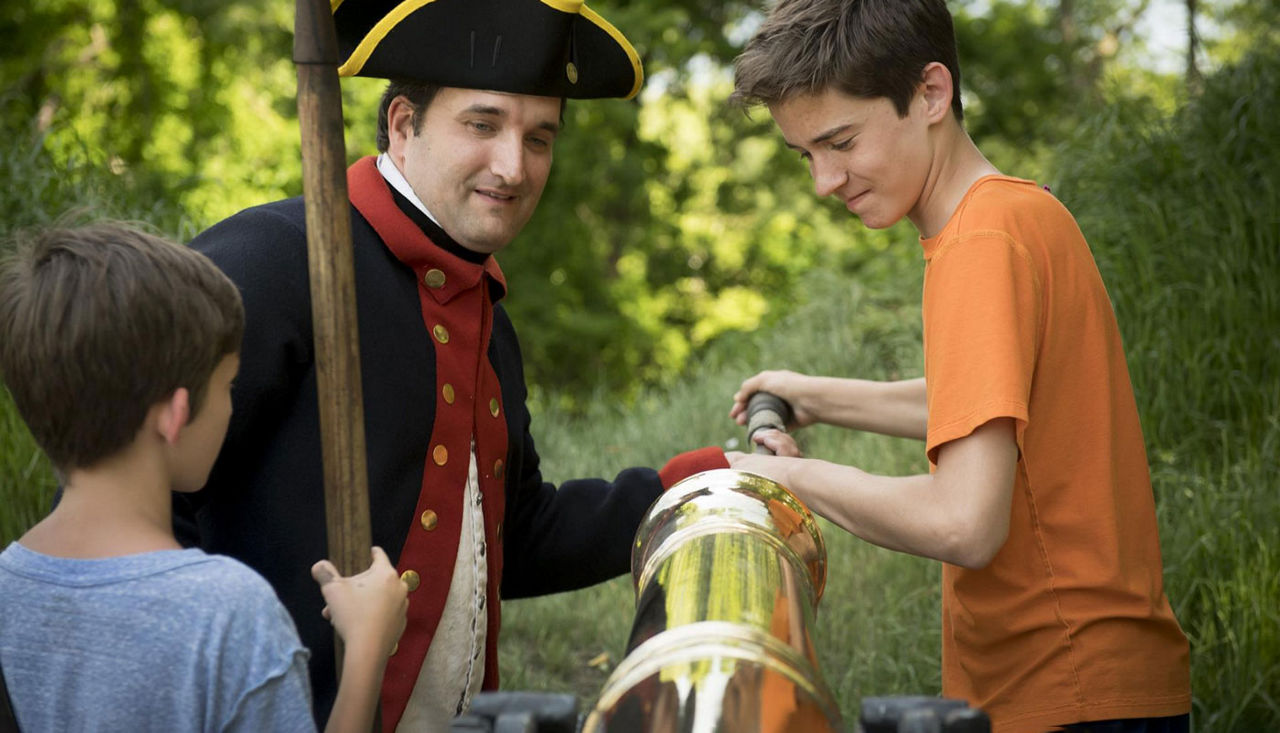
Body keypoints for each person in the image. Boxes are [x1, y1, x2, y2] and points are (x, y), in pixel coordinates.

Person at [180, 1, 729, 730]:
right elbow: (135, 499)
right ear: (404, 125)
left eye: (539, 137)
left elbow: (515, 538)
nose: (513, 165)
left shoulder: (488, 318)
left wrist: (692, 484)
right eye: (483, 124)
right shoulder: (280, 259)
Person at [723, 1, 1192, 731]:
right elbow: (986, 407)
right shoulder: (1017, 215)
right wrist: (815, 396)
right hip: (1105, 681)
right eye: (805, 154)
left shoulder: (979, 246)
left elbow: (964, 521)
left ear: (931, 94)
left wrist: (787, 480)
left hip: (1065, 691)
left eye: (840, 141)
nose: (824, 180)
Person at [0, 222, 408, 733]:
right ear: (176, 414)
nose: (233, 403)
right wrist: (367, 651)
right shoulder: (227, 615)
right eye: (228, 384)